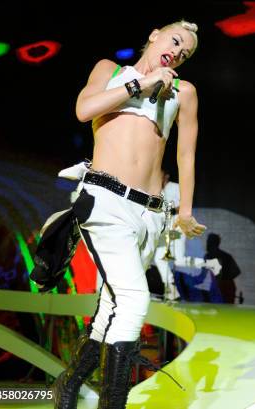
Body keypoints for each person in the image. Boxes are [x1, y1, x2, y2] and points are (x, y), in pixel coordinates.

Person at [50, 19, 206, 409]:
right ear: (154, 35)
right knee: (134, 300)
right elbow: (84, 110)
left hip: (151, 214)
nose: (178, 51)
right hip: (105, 200)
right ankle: (112, 403)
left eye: (185, 52)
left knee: (112, 305)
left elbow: (185, 153)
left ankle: (68, 384)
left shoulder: (184, 92)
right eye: (175, 41)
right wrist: (141, 85)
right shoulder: (111, 71)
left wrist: (184, 210)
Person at [151, 169, 185, 301]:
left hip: (175, 227)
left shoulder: (176, 187)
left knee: (179, 260)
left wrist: (171, 209)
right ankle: (171, 290)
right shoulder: (157, 191)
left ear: (166, 175)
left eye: (160, 175)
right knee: (159, 258)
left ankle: (208, 264)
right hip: (164, 229)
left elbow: (184, 205)